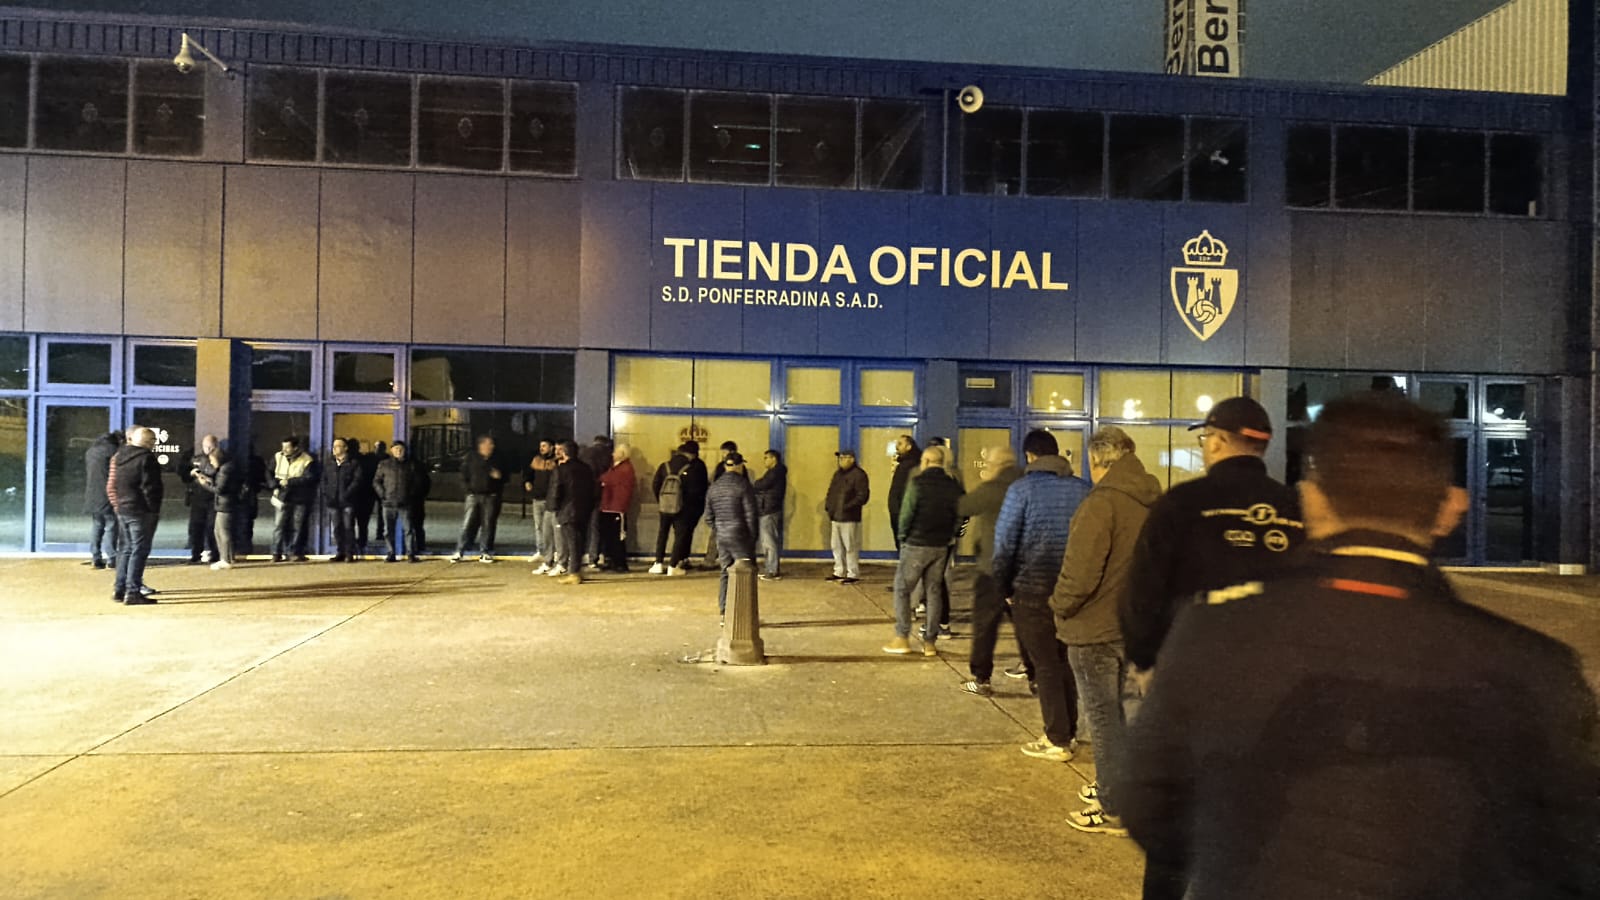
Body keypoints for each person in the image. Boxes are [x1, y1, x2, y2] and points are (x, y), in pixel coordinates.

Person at [1120, 392, 1600, 899]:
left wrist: (1233, 852)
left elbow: (1150, 804)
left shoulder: (1209, 628)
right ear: (1447, 507)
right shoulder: (1538, 669)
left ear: (1313, 498)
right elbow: (1573, 857)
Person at [1121, 396, 1306, 679]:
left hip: (1193, 669)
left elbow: (1143, 589)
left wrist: (1144, 659)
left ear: (1217, 441)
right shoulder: (1295, 508)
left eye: (1205, 437)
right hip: (1278, 672)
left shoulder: (1181, 503)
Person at [1049, 426, 1162, 836]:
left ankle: (1113, 806)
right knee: (1130, 714)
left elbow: (1080, 575)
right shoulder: (1155, 500)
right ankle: (1123, 789)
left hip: (1095, 628)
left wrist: (1058, 607)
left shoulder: (1102, 504)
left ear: (1098, 462)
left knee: (1104, 718)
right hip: (1136, 624)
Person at [992, 429, 1091, 762]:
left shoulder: (1021, 490)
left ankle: (1057, 739)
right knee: (1065, 662)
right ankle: (1070, 730)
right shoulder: (1083, 489)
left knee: (1044, 664)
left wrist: (1003, 587)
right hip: (1074, 591)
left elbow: (1005, 544)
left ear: (1030, 457)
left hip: (1032, 589)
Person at [958, 444, 1031, 697]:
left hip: (993, 569)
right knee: (1025, 625)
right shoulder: (1026, 485)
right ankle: (1035, 675)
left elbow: (964, 506)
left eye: (989, 463)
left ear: (998, 465)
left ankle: (981, 678)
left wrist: (986, 479)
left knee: (985, 626)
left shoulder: (994, 488)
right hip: (1023, 570)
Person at [884, 447, 964, 656]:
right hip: (941, 545)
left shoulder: (917, 484)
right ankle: (930, 642)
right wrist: (952, 534)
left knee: (902, 588)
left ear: (927, 461)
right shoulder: (953, 486)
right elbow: (962, 514)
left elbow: (906, 514)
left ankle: (902, 637)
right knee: (934, 591)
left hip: (917, 543)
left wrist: (902, 537)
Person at [107, 425, 164, 605]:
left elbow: (113, 485)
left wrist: (118, 504)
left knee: (125, 549)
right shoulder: (147, 459)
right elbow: (150, 488)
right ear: (147, 442)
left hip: (124, 509)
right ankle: (133, 592)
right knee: (139, 550)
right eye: (153, 440)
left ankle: (120, 588)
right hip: (140, 511)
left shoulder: (119, 457)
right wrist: (153, 509)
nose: (154, 444)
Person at [702, 451, 760, 620]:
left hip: (722, 535)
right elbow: (751, 515)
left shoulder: (714, 487)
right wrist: (752, 538)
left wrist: (720, 528)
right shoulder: (743, 485)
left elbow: (708, 517)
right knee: (746, 573)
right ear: (739, 465)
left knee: (725, 572)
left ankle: (724, 612)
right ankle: (745, 615)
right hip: (740, 535)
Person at [649, 441, 709, 576]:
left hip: (664, 506)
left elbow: (655, 484)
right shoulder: (692, 467)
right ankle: (673, 565)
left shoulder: (664, 466)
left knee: (662, 533)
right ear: (692, 454)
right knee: (679, 536)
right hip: (683, 508)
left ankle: (658, 563)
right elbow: (696, 490)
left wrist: (662, 500)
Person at [548, 440, 595, 584]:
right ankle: (577, 570)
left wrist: (553, 508)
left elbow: (556, 491)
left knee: (572, 542)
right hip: (584, 510)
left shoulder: (561, 470)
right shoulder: (586, 468)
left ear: (563, 452)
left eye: (558, 450)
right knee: (580, 542)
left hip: (567, 510)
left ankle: (573, 573)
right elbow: (593, 489)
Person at [452, 434, 505, 563]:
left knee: (488, 524)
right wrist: (468, 490)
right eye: (489, 444)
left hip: (490, 496)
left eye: (492, 444)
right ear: (481, 445)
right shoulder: (471, 458)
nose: (492, 446)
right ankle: (460, 550)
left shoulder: (497, 459)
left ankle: (485, 551)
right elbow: (463, 475)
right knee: (468, 523)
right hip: (473, 495)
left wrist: (499, 477)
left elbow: (505, 476)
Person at [372, 440, 427, 562]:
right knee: (388, 530)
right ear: (392, 451)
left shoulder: (411, 465)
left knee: (408, 529)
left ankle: (410, 553)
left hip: (405, 503)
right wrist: (383, 494)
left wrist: (410, 495)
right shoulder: (384, 465)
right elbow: (376, 481)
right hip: (388, 503)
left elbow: (418, 482)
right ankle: (391, 553)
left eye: (401, 449)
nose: (399, 451)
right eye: (396, 449)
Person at [823, 449, 870, 585]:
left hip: (849, 516)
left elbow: (862, 496)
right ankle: (839, 571)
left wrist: (848, 506)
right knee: (836, 546)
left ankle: (852, 573)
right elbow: (831, 492)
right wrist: (829, 506)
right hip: (835, 516)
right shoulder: (838, 475)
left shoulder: (859, 475)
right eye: (840, 458)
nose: (841, 460)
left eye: (844, 457)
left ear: (852, 459)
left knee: (850, 546)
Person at [269, 435, 317, 562]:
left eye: (287, 447)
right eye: (283, 447)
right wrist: (273, 485)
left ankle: (294, 552)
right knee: (279, 526)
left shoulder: (307, 460)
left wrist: (290, 482)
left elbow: (309, 478)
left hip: (299, 498)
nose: (284, 450)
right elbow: (268, 472)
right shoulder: (277, 457)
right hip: (282, 497)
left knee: (298, 527)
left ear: (295, 448)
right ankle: (276, 552)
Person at [83, 430, 123, 569]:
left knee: (97, 524)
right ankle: (112, 557)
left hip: (93, 494)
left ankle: (95, 557)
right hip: (108, 494)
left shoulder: (91, 451)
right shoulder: (114, 452)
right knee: (112, 525)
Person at [319, 437, 363, 563]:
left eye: (338, 446)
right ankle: (340, 552)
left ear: (345, 448)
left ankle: (350, 553)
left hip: (348, 501)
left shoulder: (353, 463)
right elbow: (324, 481)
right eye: (333, 446)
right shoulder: (329, 463)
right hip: (333, 502)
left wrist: (347, 493)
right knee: (337, 528)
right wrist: (326, 494)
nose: (334, 448)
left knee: (348, 527)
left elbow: (357, 481)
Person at [597, 443, 635, 573]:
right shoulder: (615, 468)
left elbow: (609, 481)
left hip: (616, 507)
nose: (612, 454)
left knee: (617, 537)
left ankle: (619, 563)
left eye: (615, 452)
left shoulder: (625, 469)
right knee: (609, 536)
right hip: (608, 506)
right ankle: (612, 560)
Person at [183, 434, 220, 564]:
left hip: (213, 498)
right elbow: (184, 474)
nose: (208, 449)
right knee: (195, 527)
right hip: (197, 498)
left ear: (216, 446)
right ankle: (195, 554)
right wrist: (192, 473)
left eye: (210, 446)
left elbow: (221, 475)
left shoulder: (221, 459)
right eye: (205, 446)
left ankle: (215, 554)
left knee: (212, 528)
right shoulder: (195, 459)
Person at [702, 439, 739, 567]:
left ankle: (713, 560)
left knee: (720, 534)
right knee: (719, 534)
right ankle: (713, 560)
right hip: (726, 506)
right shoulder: (723, 466)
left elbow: (714, 484)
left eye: (725, 452)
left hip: (725, 506)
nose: (723, 454)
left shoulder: (729, 467)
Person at [579, 435, 614, 569]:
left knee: (581, 527)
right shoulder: (608, 456)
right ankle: (594, 557)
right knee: (595, 527)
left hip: (583, 495)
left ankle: (580, 554)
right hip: (600, 494)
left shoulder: (584, 453)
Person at [751, 449, 787, 581]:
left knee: (769, 541)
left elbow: (761, 484)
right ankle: (770, 568)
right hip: (768, 509)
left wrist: (757, 484)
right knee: (768, 541)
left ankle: (772, 570)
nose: (764, 460)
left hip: (769, 510)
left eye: (766, 458)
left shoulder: (775, 473)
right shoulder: (776, 472)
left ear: (773, 459)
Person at [204, 446, 240, 570]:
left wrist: (205, 484)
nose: (211, 463)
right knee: (218, 531)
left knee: (223, 532)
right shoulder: (226, 468)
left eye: (212, 460)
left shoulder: (225, 470)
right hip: (224, 504)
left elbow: (220, 489)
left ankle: (226, 559)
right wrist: (209, 481)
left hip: (225, 504)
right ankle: (226, 557)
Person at [525, 439, 558, 566]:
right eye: (540, 446)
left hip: (550, 499)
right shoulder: (536, 460)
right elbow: (529, 474)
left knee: (551, 527)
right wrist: (527, 482)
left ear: (551, 447)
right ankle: (540, 550)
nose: (541, 448)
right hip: (537, 498)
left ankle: (553, 551)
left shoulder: (556, 462)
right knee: (538, 526)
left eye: (544, 446)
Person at [886, 434, 920, 552]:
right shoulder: (905, 465)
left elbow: (904, 491)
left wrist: (897, 511)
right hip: (901, 511)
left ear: (909, 446)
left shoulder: (910, 466)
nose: (897, 447)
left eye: (900, 444)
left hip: (904, 513)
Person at [350, 438, 379, 558]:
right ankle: (361, 545)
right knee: (363, 524)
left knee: (350, 524)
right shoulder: (367, 460)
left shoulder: (351, 462)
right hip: (365, 496)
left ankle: (353, 547)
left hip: (356, 496)